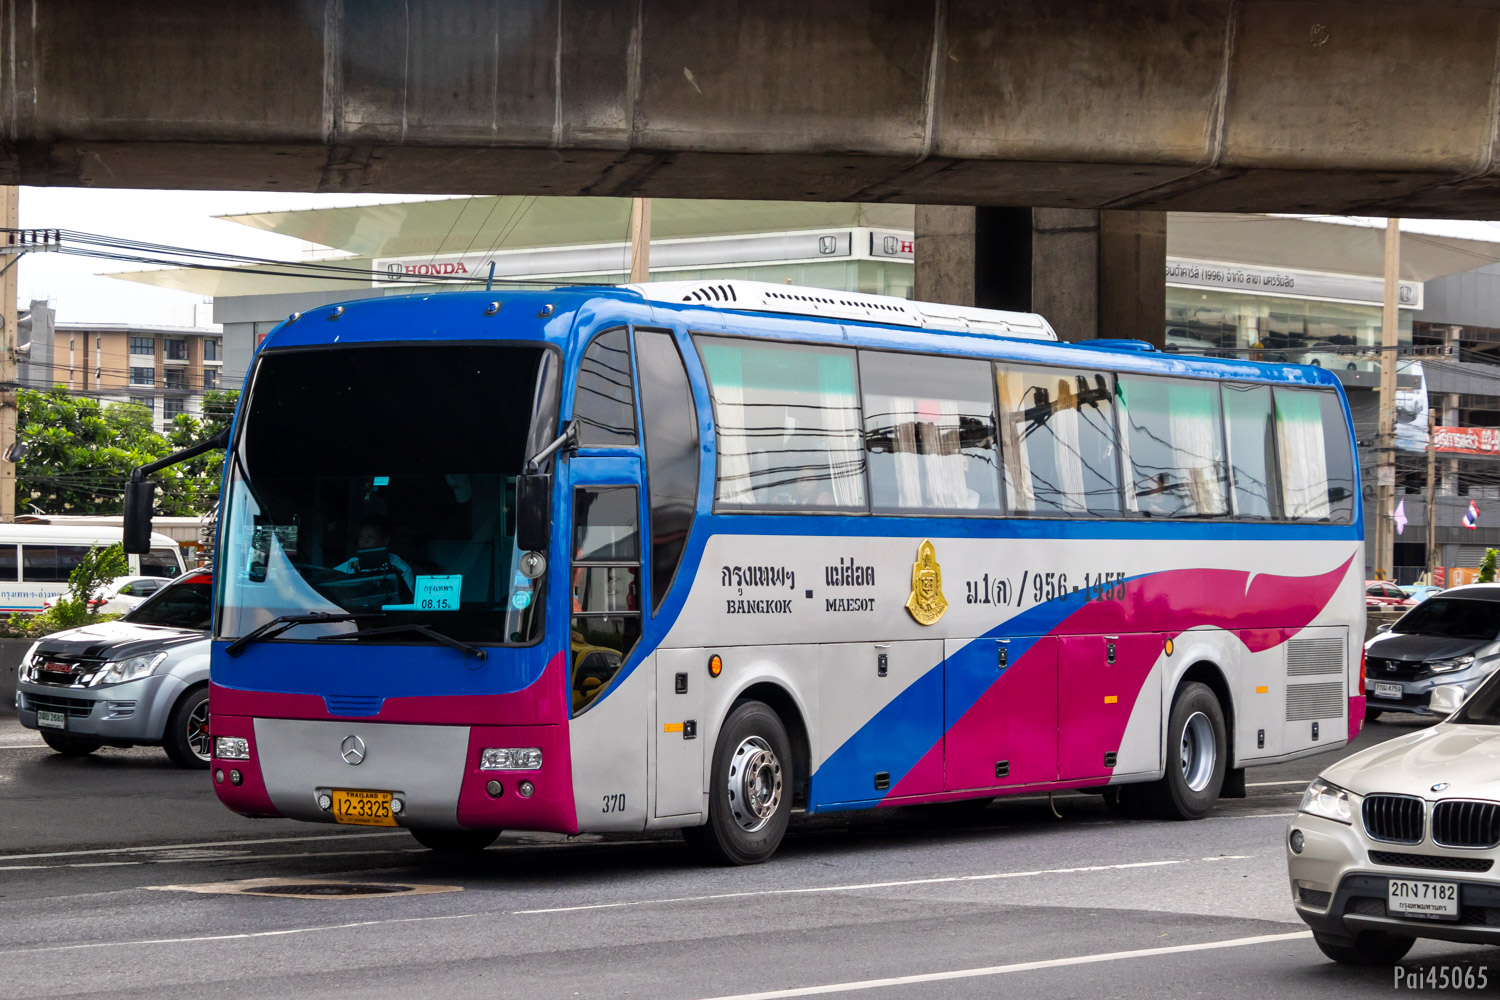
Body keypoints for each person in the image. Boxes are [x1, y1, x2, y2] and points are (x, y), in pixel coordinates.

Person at [334, 516, 415, 592]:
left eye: (369, 537)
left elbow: (408, 600)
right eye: (361, 537)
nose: (364, 541)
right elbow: (330, 576)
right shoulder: (351, 565)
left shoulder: (401, 568)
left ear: (386, 540)